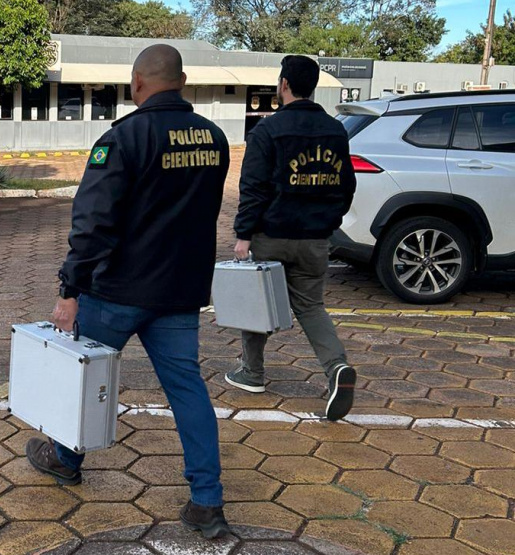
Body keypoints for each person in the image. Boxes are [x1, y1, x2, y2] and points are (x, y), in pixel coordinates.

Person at [24, 44, 232, 540]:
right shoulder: (216, 138)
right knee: (188, 391)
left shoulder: (123, 138)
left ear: (138, 82)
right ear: (180, 81)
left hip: (117, 292)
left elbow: (93, 221)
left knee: (84, 376)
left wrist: (70, 288)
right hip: (180, 293)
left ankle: (65, 459)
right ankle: (207, 501)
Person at [226, 55, 358, 422]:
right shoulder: (336, 130)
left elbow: (252, 187)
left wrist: (243, 235)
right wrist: (329, 221)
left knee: (258, 305)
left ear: (283, 85)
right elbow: (347, 185)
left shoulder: (268, 131)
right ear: (312, 87)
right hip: (316, 239)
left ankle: (252, 373)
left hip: (272, 235)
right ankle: (336, 368)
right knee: (311, 308)